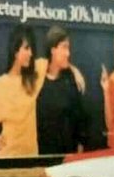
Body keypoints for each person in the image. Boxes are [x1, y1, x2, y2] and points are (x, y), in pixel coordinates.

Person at [0, 25, 40, 157]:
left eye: (31, 49)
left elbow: (54, 63)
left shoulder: (34, 78)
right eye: (26, 48)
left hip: (31, 158)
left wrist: (74, 70)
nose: (30, 53)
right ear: (15, 50)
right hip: (7, 156)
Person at [36, 25, 89, 154]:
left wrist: (80, 149)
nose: (68, 53)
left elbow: (80, 119)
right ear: (53, 49)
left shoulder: (71, 81)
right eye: (64, 47)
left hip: (67, 156)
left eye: (68, 48)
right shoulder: (37, 77)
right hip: (40, 155)